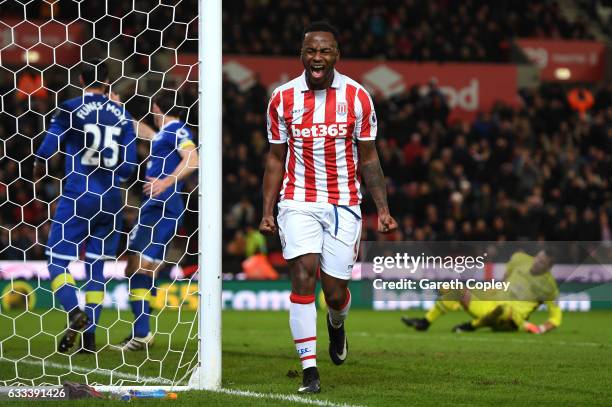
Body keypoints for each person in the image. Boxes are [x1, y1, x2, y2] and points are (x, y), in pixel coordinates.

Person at [259, 21, 398, 393]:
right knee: (304, 274)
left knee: (335, 293)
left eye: (324, 50)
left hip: (344, 204)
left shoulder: (357, 97)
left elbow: (369, 158)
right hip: (298, 200)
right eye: (311, 51)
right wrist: (268, 210)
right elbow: (275, 158)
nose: (317, 57)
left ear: (336, 54)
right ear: (301, 55)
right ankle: (309, 372)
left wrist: (382, 209)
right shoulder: (282, 98)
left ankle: (337, 324)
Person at [34, 59, 137, 353]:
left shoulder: (69, 107)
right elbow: (129, 166)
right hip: (112, 199)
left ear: (80, 79)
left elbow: (47, 148)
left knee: (56, 260)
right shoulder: (122, 113)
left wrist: (39, 165)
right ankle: (90, 340)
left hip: (78, 195)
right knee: (96, 268)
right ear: (108, 83)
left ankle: (73, 312)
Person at [115, 89, 199, 351]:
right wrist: (119, 110)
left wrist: (166, 182)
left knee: (137, 267)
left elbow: (193, 159)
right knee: (142, 268)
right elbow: (144, 132)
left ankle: (141, 333)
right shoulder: (165, 134)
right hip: (158, 207)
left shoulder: (178, 131)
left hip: (161, 206)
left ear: (155, 108)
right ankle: (142, 332)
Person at [402, 250, 562, 334]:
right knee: (456, 290)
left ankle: (471, 326)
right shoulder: (520, 260)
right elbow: (506, 277)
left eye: (542, 262)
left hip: (511, 320)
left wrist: (539, 329)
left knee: (504, 310)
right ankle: (425, 322)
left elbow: (555, 319)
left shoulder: (549, 287)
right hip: (491, 304)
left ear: (549, 267)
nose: (536, 262)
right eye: (537, 258)